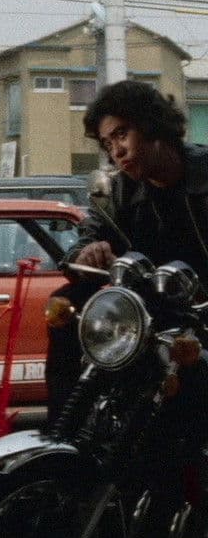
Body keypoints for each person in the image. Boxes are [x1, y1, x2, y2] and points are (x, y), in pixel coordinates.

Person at [46, 80, 208, 419]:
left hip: (201, 311)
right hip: (148, 312)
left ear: (151, 126)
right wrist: (87, 253)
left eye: (121, 135)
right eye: (108, 143)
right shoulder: (118, 192)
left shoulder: (203, 173)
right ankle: (65, 429)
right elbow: (83, 241)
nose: (116, 151)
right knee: (65, 304)